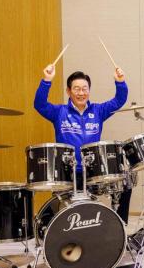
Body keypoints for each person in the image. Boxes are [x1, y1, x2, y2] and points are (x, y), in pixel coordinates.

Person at [34, 63, 131, 224]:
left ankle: (119, 226)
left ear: (89, 91)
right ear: (68, 91)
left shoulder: (98, 111)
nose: (81, 93)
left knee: (125, 183)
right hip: (68, 172)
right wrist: (47, 80)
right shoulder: (59, 112)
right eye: (77, 89)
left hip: (93, 171)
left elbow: (119, 100)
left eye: (85, 89)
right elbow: (40, 104)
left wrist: (120, 82)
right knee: (61, 211)